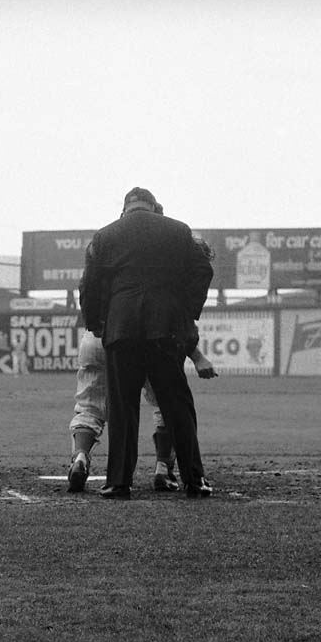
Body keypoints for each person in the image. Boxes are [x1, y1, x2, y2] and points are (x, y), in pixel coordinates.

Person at [80, 187, 214, 499]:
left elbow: (90, 285)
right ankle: (194, 480)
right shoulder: (179, 231)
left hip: (121, 328)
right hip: (164, 328)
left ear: (124, 209)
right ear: (153, 208)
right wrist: (184, 311)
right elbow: (202, 270)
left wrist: (97, 321)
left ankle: (118, 482)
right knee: (177, 405)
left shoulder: (105, 236)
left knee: (123, 408)